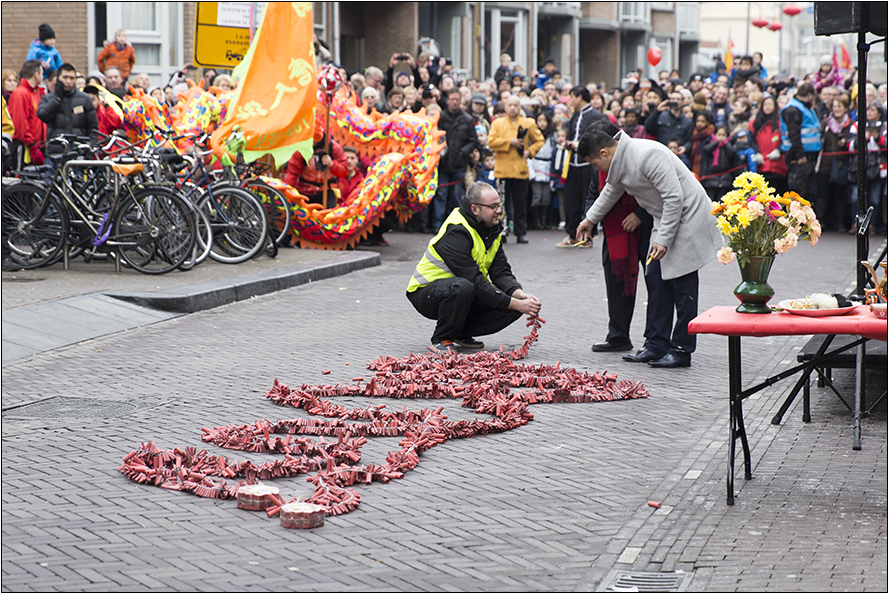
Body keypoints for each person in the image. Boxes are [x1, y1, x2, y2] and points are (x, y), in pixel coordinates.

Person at [576, 128, 722, 368]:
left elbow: (674, 198)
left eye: (594, 163)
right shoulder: (619, 162)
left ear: (604, 153)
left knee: (682, 286)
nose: (596, 168)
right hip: (664, 218)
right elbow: (610, 192)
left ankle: (682, 349)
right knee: (656, 279)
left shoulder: (647, 154)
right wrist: (589, 220)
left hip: (688, 217)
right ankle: (656, 345)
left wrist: (663, 239)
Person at [406, 181, 541, 352]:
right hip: (426, 293)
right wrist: (513, 303)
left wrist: (519, 295)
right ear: (475, 209)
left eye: (499, 205)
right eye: (493, 207)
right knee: (463, 287)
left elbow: (501, 273)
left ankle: (459, 332)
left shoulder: (491, 230)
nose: (499, 211)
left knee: (513, 302)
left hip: (465, 290)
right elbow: (474, 280)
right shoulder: (456, 230)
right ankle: (442, 337)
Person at [584, 119, 654, 354]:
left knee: (655, 284)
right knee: (616, 283)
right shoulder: (598, 163)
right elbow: (594, 195)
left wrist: (640, 214)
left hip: (646, 228)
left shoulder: (638, 156)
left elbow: (657, 192)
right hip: (615, 229)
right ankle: (618, 335)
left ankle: (653, 339)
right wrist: (589, 222)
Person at [487, 95, 544, 244]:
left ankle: (520, 232)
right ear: (505, 107)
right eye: (510, 105)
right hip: (502, 170)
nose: (512, 108)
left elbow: (539, 140)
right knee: (502, 203)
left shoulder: (528, 123)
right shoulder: (497, 123)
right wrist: (509, 142)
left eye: (515, 105)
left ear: (520, 107)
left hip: (520, 170)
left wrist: (529, 152)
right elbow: (491, 142)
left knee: (520, 204)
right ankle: (502, 231)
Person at [556, 86, 605, 247]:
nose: (570, 101)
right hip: (572, 164)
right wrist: (567, 143)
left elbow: (601, 138)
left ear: (579, 97)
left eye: (571, 97)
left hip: (587, 164)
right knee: (571, 200)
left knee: (587, 200)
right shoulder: (575, 116)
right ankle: (573, 235)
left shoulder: (595, 115)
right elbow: (571, 136)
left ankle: (587, 237)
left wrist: (580, 144)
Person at [432, 88, 478, 232]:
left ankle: (451, 224)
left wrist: (463, 152)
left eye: (457, 99)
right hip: (443, 163)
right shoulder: (440, 117)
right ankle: (437, 224)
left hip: (459, 164)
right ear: (447, 100)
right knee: (441, 194)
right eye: (452, 99)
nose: (454, 102)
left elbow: (473, 140)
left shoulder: (467, 119)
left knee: (455, 196)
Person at [283, 116, 348, 209]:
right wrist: (286, 191)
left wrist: (332, 164)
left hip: (325, 190)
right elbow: (293, 173)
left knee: (329, 215)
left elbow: (344, 170)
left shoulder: (333, 147)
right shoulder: (301, 149)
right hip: (304, 190)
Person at [815, 94, 853, 231]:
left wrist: (845, 142)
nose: (836, 109)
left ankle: (840, 223)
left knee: (840, 195)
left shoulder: (851, 124)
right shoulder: (825, 123)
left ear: (845, 108)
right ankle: (820, 222)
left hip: (841, 164)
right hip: (825, 164)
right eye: (835, 106)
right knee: (822, 194)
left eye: (839, 106)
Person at [38, 63, 99, 145]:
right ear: (58, 78)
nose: (68, 81)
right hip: (55, 148)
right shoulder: (48, 98)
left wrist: (91, 146)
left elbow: (93, 127)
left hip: (79, 148)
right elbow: (43, 116)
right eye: (65, 77)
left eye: (72, 78)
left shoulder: (85, 99)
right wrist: (57, 99)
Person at [780, 82, 821, 199]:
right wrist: (800, 155)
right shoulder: (793, 109)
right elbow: (793, 135)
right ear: (809, 95)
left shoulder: (804, 107)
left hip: (808, 156)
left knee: (808, 193)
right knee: (799, 193)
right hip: (799, 157)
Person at [8, 60, 46, 166]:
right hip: (25, 147)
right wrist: (32, 147)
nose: (43, 77)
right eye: (42, 73)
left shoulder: (36, 93)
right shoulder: (21, 93)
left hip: (35, 146)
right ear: (36, 74)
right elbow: (20, 124)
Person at [528, 111, 557, 230]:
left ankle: (544, 221)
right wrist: (531, 172)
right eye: (539, 120)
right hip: (536, 167)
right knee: (537, 196)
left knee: (546, 197)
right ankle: (537, 221)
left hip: (548, 168)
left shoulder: (553, 135)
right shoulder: (532, 135)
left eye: (544, 120)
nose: (542, 123)